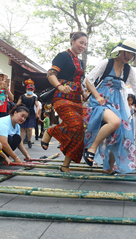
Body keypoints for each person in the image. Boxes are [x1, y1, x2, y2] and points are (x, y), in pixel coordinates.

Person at [83, 39, 136, 173]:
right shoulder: (107, 63)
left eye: (131, 54)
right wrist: (98, 96)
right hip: (101, 101)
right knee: (115, 122)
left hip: (117, 105)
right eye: (127, 53)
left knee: (122, 134)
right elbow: (88, 80)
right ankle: (92, 148)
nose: (128, 56)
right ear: (120, 51)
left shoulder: (128, 69)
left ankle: (109, 168)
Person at [40, 32, 88, 173]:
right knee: (76, 124)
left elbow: (80, 81)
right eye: (81, 42)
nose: (83, 46)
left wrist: (84, 92)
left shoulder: (80, 62)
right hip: (62, 97)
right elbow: (51, 74)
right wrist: (59, 86)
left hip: (77, 99)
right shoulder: (62, 56)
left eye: (85, 44)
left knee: (80, 130)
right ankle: (51, 131)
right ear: (72, 41)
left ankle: (65, 165)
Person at [16, 79, 41, 148]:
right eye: (28, 89)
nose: (29, 91)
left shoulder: (34, 97)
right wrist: (17, 110)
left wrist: (37, 111)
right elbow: (18, 104)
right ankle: (21, 142)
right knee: (22, 128)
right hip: (23, 112)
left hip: (31, 113)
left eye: (31, 90)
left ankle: (29, 141)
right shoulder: (22, 96)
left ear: (33, 90)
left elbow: (37, 105)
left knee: (29, 128)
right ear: (26, 89)